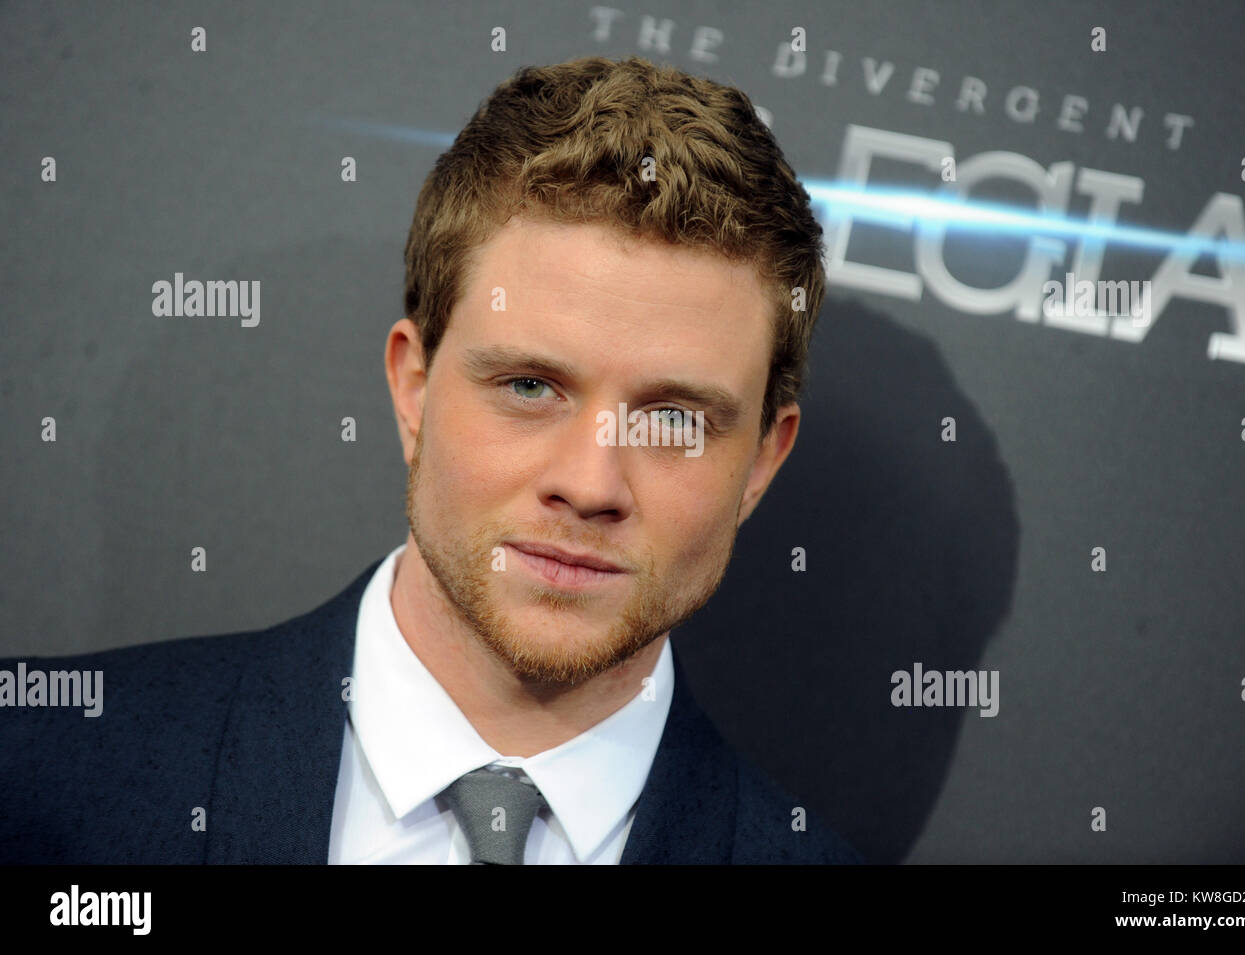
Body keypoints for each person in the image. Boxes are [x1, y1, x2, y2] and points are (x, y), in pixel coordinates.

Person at [0, 55, 862, 865]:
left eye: (674, 420)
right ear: (414, 387)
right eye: (529, 386)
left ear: (761, 462)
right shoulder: (38, 772)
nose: (591, 483)